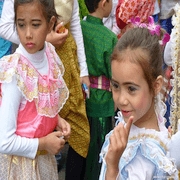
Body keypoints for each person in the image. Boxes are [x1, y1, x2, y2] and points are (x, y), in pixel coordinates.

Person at [0, 0, 90, 179]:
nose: (27, 34)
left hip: (44, 162)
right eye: (20, 25)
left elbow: (34, 107)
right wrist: (43, 144)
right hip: (22, 167)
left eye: (35, 25)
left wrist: (56, 119)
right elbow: (4, 142)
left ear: (51, 24)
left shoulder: (50, 54)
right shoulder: (16, 72)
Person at [99, 17, 180, 179]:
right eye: (116, 86)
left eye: (131, 89)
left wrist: (113, 168)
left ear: (156, 85)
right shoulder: (137, 120)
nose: (122, 99)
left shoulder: (145, 156)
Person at [80, 0, 118, 179]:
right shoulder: (108, 37)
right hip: (102, 99)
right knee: (100, 148)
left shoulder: (78, 28)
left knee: (84, 147)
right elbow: (114, 73)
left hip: (81, 96)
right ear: (104, 3)